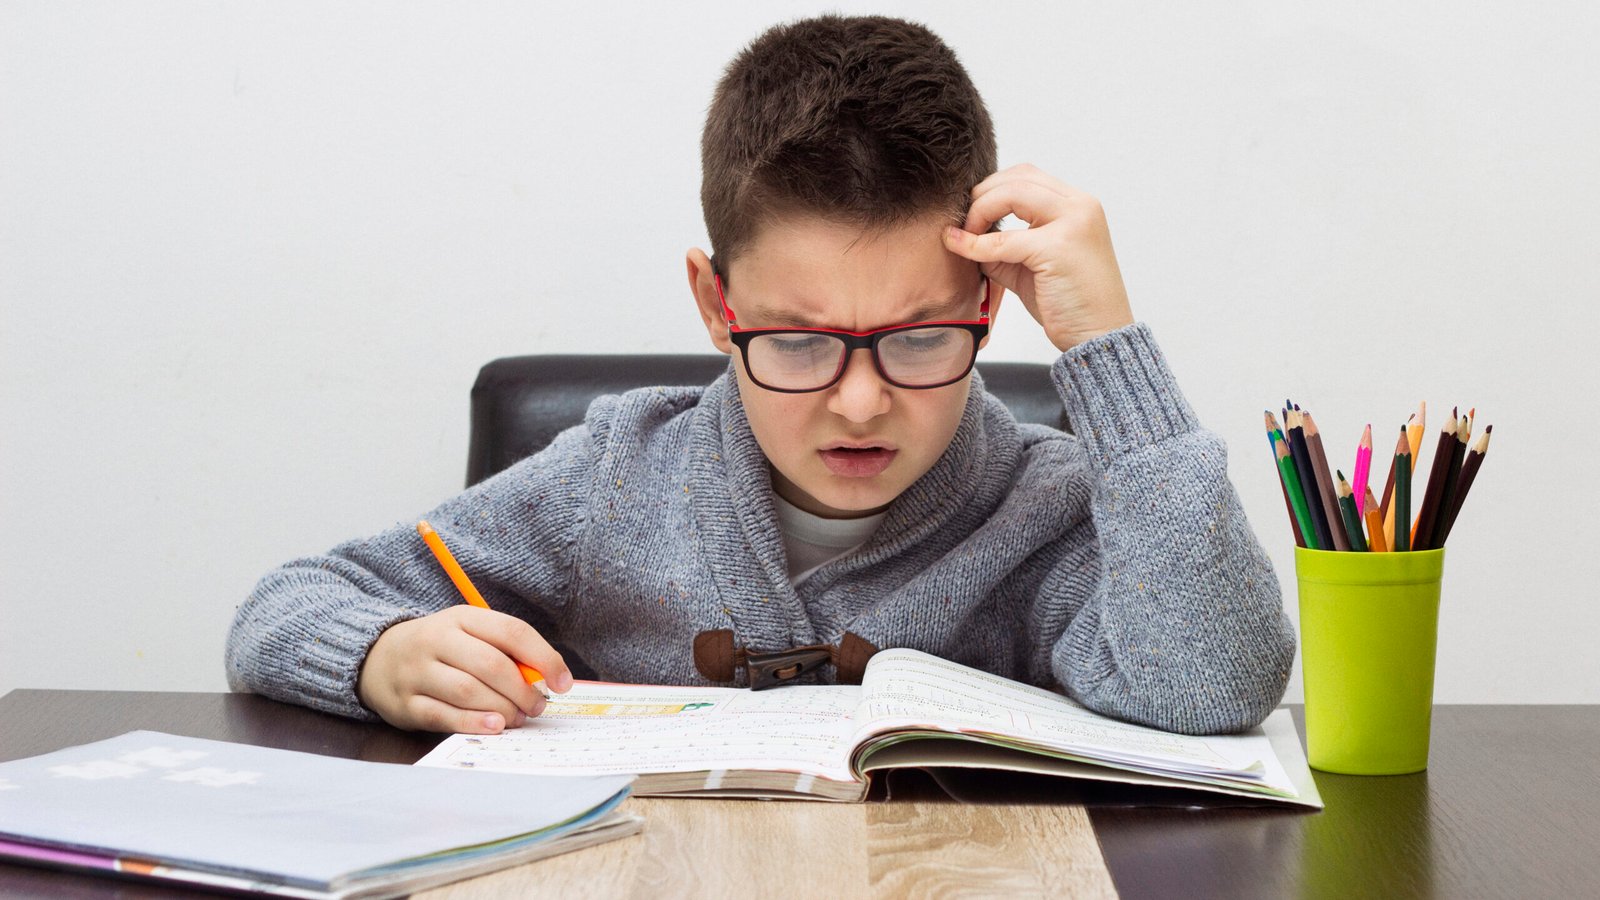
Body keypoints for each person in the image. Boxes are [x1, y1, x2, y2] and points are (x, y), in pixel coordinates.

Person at [226, 13, 1294, 737]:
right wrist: (383, 654)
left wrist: (1106, 349)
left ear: (986, 302)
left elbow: (1214, 687)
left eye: (920, 338)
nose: (861, 401)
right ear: (715, 305)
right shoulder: (614, 477)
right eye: (795, 343)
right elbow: (283, 607)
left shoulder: (1043, 507)